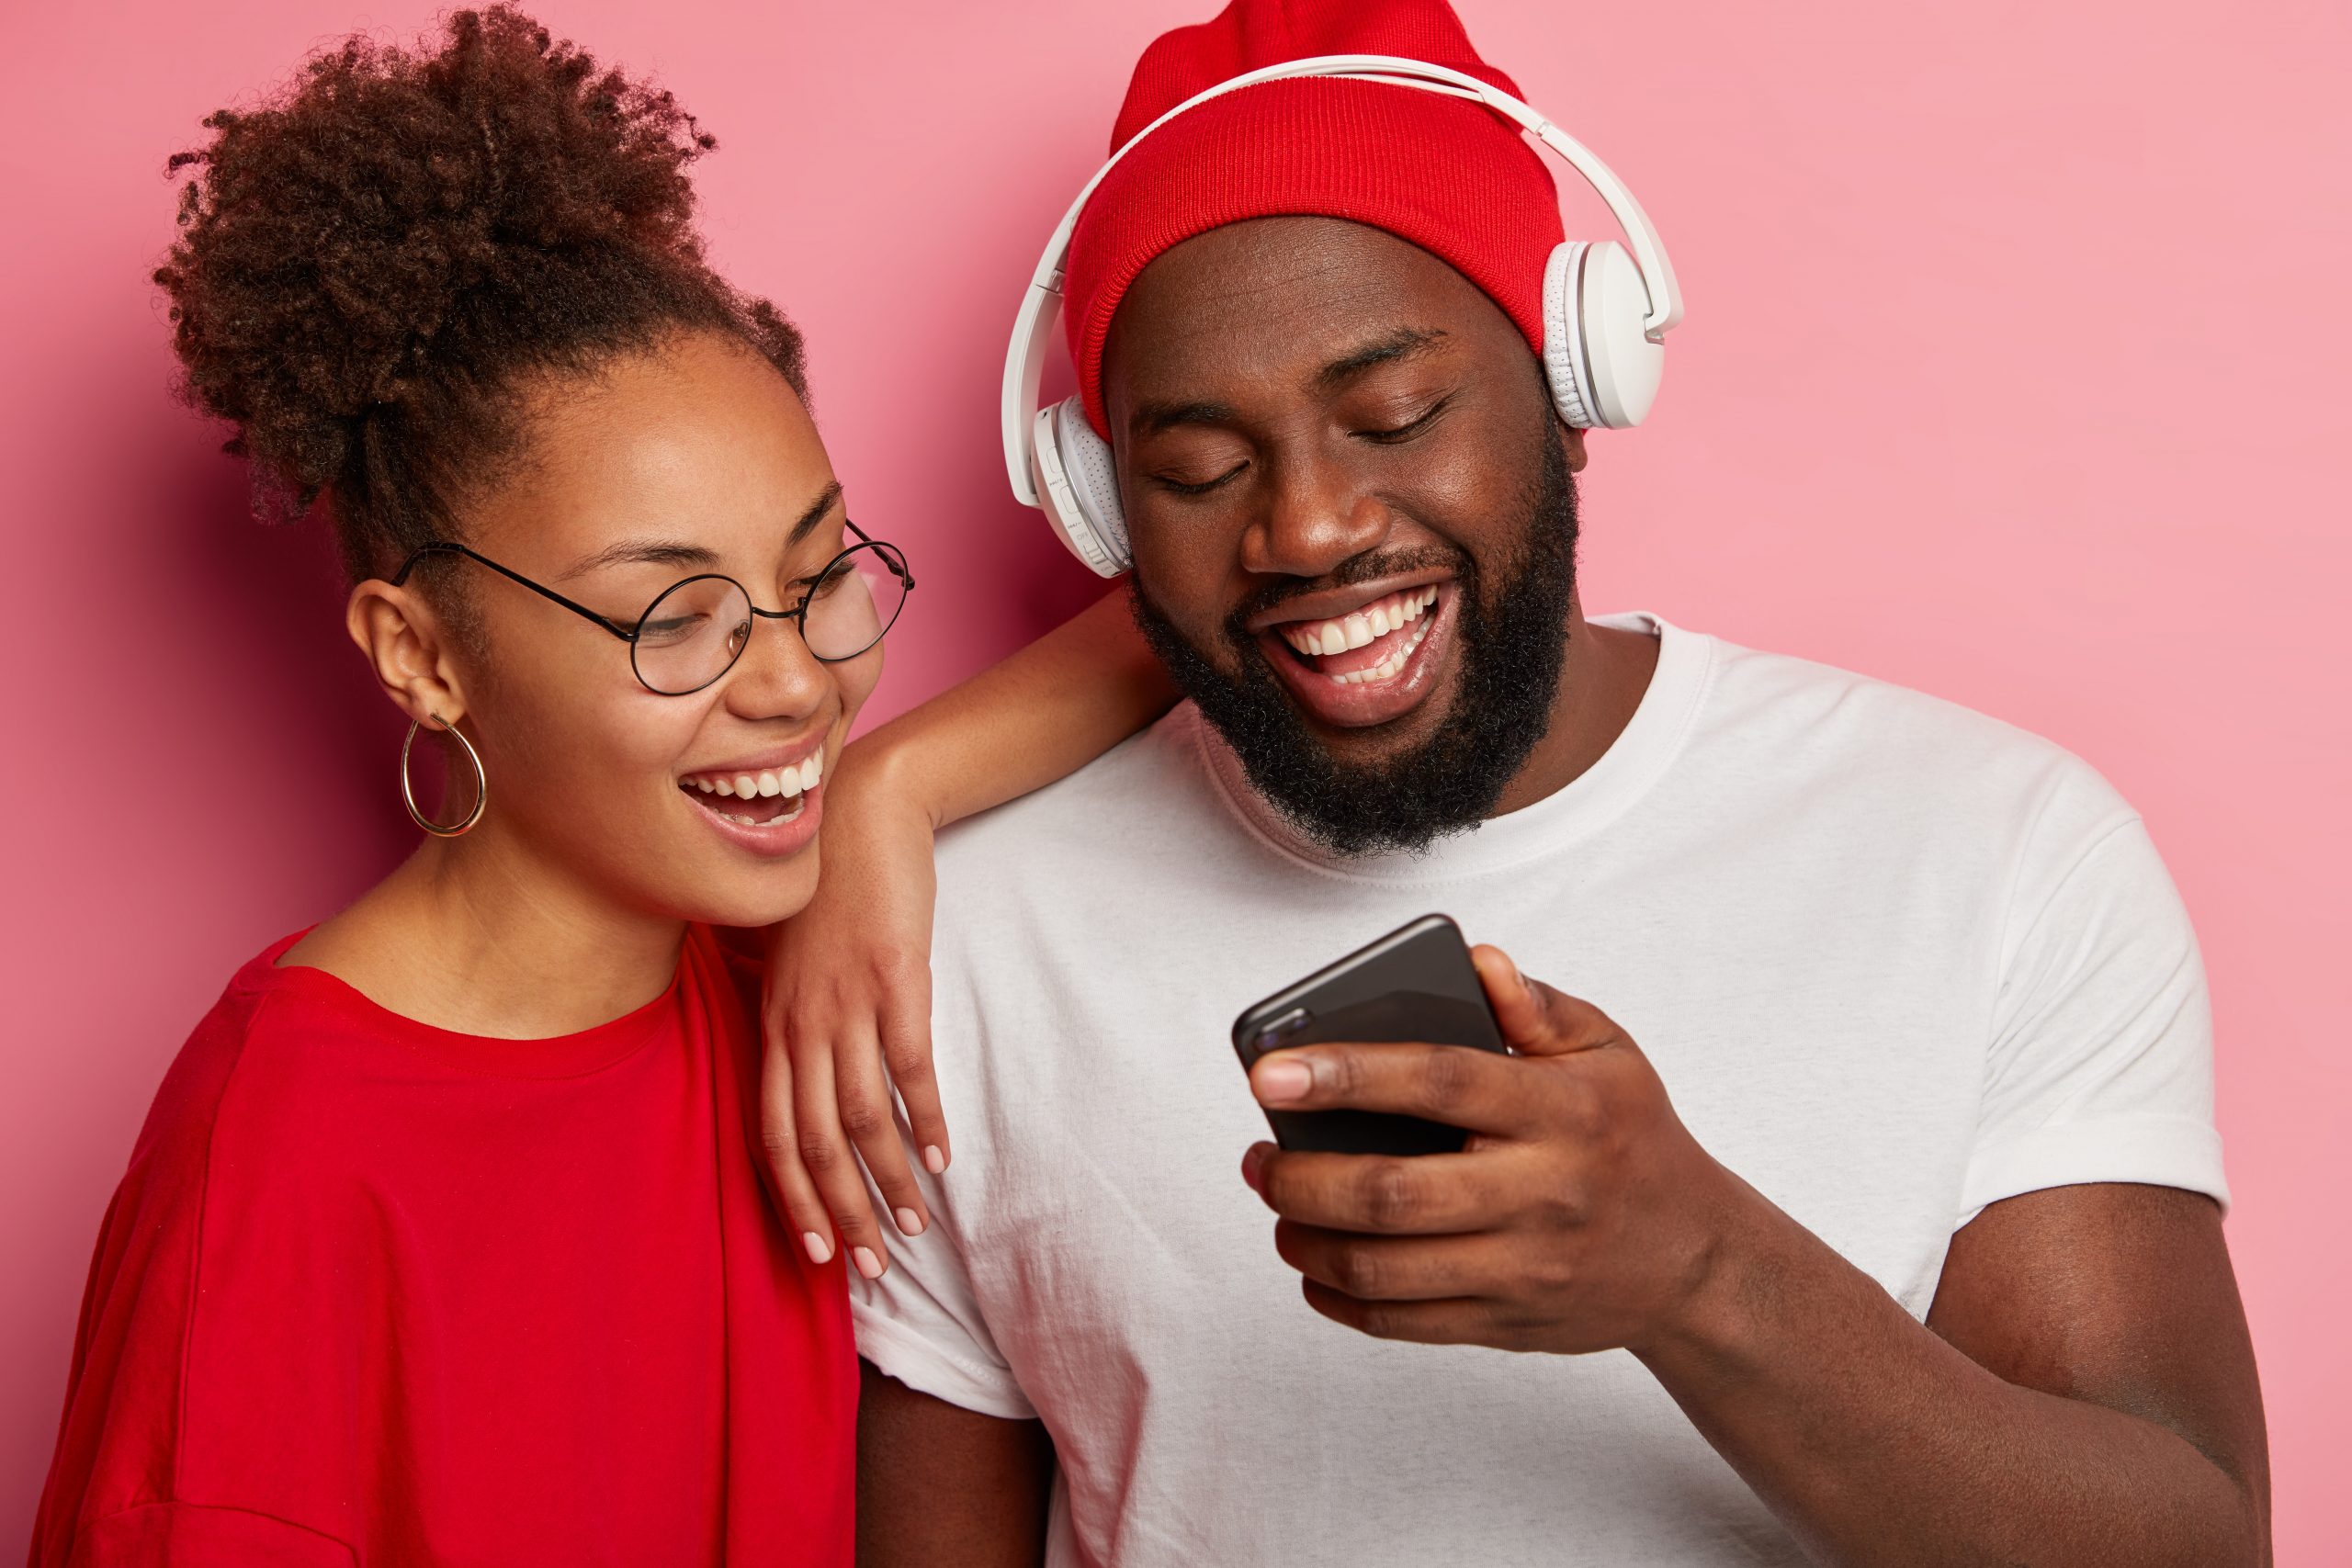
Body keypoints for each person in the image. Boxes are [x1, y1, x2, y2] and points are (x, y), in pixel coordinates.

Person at [779, 2, 2272, 1562]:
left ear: (1577, 385)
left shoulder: (1994, 852)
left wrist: (1701, 1273)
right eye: (1201, 469)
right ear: (1098, 503)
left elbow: (2191, 1542)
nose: (1304, 528)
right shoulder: (955, 948)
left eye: (1397, 415)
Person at [28, 9, 1169, 1563]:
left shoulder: (789, 961)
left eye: (818, 573)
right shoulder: (284, 1181)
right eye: (669, 614)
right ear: (421, 654)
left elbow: (1191, 607)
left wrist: (896, 790)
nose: (790, 681)